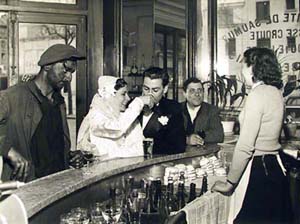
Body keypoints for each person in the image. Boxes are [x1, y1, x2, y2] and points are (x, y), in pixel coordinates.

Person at [212, 47, 292, 224]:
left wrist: (229, 183)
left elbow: (246, 145)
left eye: (243, 65)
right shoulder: (276, 92)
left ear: (252, 67)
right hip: (275, 168)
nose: (241, 70)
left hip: (258, 169)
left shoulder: (257, 94)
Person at [0, 44, 85, 182]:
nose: (69, 77)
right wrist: (8, 151)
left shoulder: (59, 102)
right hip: (26, 189)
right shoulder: (13, 96)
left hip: (56, 186)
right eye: (66, 69)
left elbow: (47, 147)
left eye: (72, 72)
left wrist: (68, 156)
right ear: (47, 66)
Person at [77, 76, 154, 160]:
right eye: (123, 94)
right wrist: (138, 102)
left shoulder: (127, 117)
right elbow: (116, 129)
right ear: (110, 96)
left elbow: (139, 150)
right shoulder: (95, 117)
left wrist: (109, 154)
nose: (128, 98)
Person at [140, 67, 186, 154]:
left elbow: (179, 146)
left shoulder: (173, 109)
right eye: (146, 89)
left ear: (165, 89)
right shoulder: (132, 106)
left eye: (155, 90)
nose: (149, 94)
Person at [181, 77, 224, 146]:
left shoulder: (212, 110)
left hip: (204, 154)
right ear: (184, 93)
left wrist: (197, 137)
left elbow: (219, 135)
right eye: (192, 91)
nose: (197, 94)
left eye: (200, 90)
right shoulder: (177, 109)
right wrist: (187, 139)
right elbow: (169, 134)